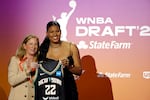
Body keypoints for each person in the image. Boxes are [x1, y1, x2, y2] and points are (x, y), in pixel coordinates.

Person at [38, 21, 82, 100]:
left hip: (68, 89)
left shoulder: (71, 47)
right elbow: (36, 68)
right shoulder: (42, 50)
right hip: (49, 90)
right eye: (51, 32)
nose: (55, 34)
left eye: (57, 31)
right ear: (47, 33)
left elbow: (79, 71)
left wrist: (68, 67)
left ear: (60, 32)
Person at [8, 34, 39, 100]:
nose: (33, 47)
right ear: (25, 46)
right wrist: (26, 72)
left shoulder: (38, 64)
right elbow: (12, 81)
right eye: (31, 44)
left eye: (36, 44)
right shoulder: (15, 60)